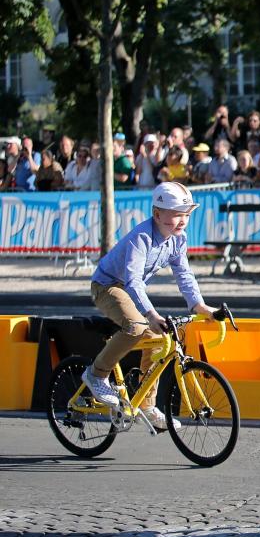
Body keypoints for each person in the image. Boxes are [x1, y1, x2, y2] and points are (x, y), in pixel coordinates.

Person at [82, 182, 217, 431]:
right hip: (107, 286)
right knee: (136, 326)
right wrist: (151, 314)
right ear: (157, 214)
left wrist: (199, 306)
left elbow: (184, 274)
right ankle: (96, 374)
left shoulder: (178, 240)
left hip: (129, 290)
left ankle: (146, 404)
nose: (182, 221)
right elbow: (133, 281)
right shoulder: (142, 237)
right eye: (176, 214)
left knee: (160, 337)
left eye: (186, 215)